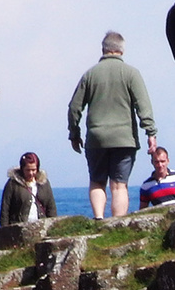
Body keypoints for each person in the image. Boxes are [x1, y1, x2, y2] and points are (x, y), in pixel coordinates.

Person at [68, 31, 159, 219]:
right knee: (119, 185)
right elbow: (143, 106)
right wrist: (150, 132)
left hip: (97, 138)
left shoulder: (90, 75)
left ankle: (99, 219)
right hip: (124, 139)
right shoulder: (131, 74)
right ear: (121, 51)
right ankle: (116, 223)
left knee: (97, 182)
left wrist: (74, 133)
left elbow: (74, 107)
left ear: (103, 49)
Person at [0, 152, 57, 225]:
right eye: (28, 170)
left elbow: (51, 207)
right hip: (18, 228)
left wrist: (53, 226)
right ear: (22, 169)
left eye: (33, 170)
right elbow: (5, 209)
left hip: (41, 226)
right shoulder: (12, 184)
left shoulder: (44, 183)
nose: (31, 173)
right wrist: (4, 231)